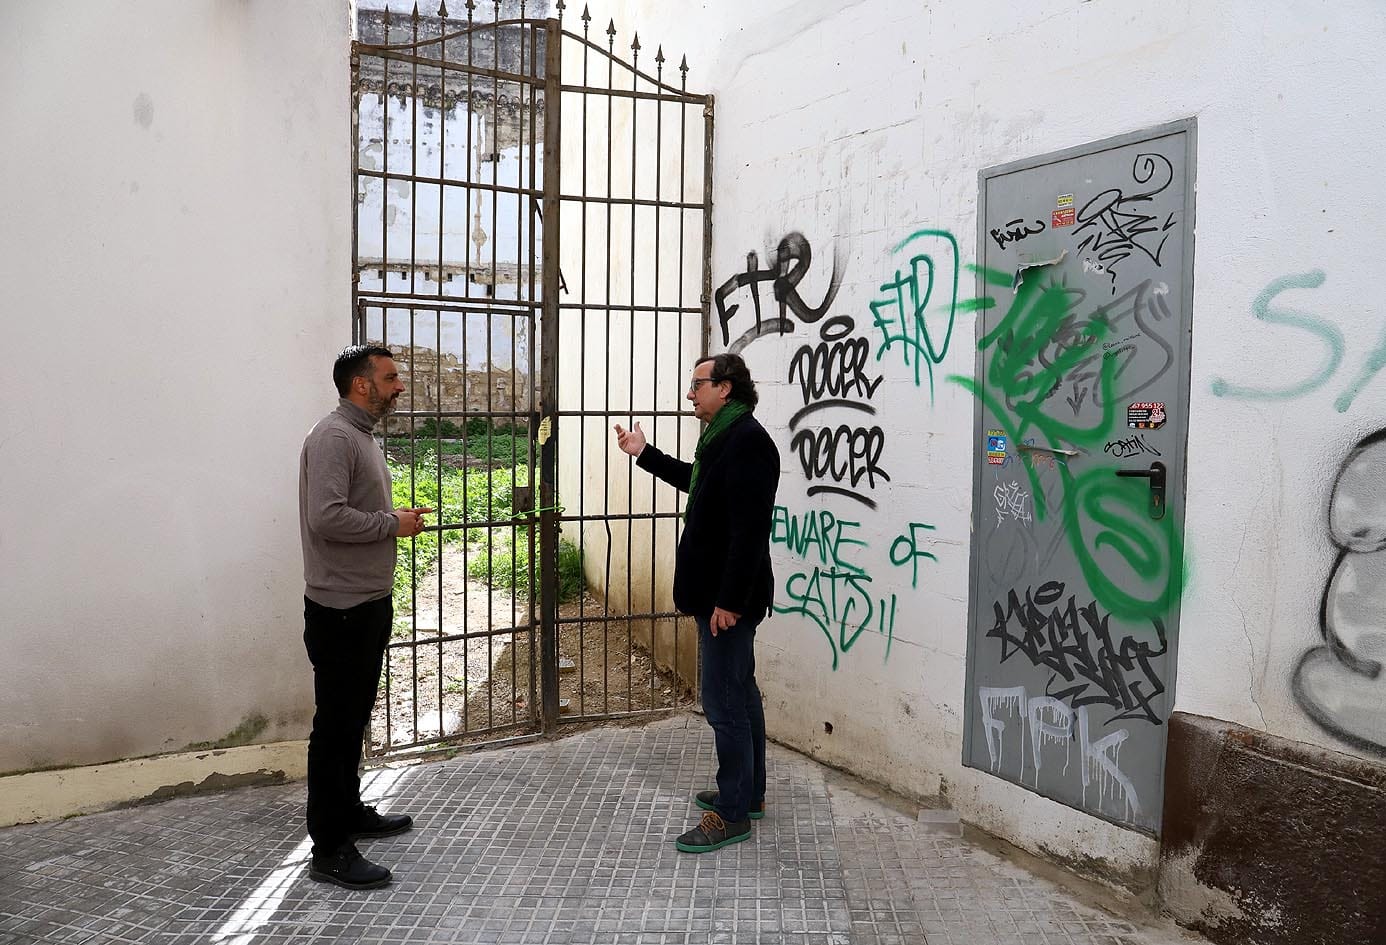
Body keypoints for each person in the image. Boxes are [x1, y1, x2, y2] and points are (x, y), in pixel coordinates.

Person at [613, 352, 780, 853]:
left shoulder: (747, 441)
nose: (691, 394)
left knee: (724, 704)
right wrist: (644, 452)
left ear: (725, 388)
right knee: (741, 694)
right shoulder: (724, 437)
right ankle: (748, 794)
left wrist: (728, 601)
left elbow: (750, 532)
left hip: (728, 602)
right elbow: (698, 482)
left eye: (698, 385)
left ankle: (732, 814)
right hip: (721, 597)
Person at [299, 344, 433, 889]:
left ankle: (349, 811)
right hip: (341, 609)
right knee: (335, 728)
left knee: (352, 721)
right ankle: (330, 847)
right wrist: (390, 525)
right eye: (391, 377)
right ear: (361, 384)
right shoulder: (333, 436)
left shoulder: (358, 435)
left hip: (364, 603)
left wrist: (390, 520)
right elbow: (326, 517)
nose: (399, 386)